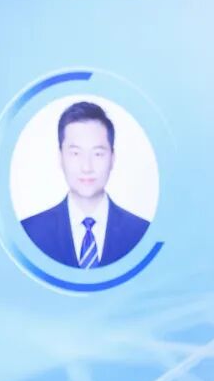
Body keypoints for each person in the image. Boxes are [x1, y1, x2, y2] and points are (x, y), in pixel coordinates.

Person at [20, 101, 149, 268]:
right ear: (60, 157)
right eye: (75, 153)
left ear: (112, 158)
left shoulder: (142, 235)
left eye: (98, 154)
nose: (87, 167)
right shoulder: (29, 234)